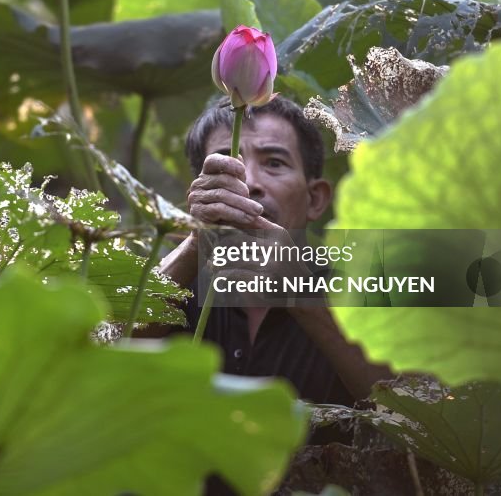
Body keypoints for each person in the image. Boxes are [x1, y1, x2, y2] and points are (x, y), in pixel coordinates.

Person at [138, 96, 392, 405]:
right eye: (227, 162)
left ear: (315, 200)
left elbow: (410, 411)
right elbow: (103, 356)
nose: (249, 182)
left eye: (274, 163)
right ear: (198, 193)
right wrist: (197, 241)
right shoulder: (176, 282)